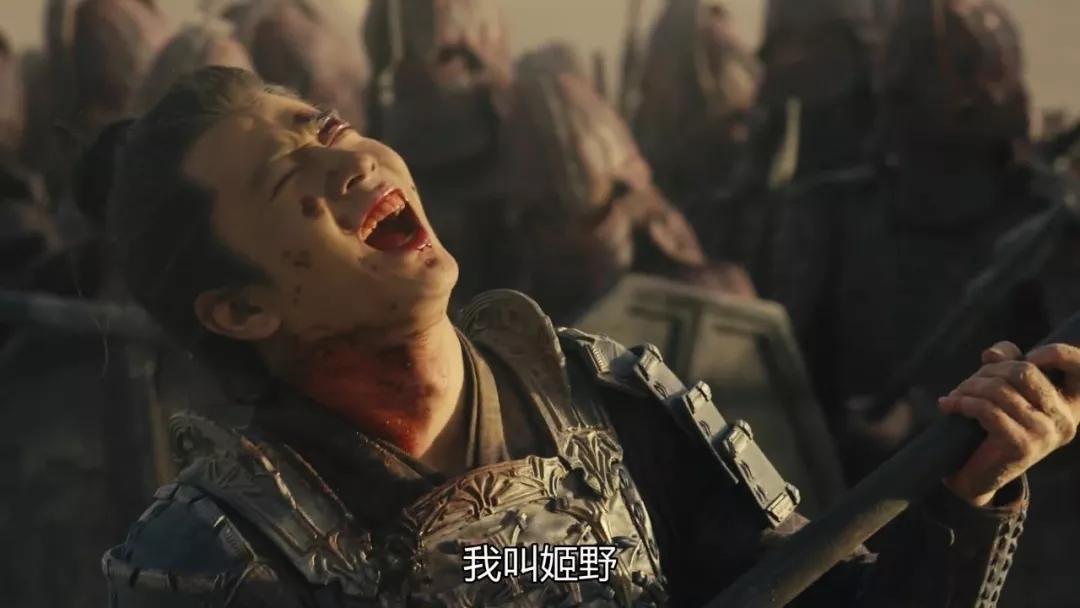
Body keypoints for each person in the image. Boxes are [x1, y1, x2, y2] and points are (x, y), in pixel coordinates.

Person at [99, 67, 1077, 607]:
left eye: (328, 128)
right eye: (290, 180)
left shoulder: (616, 403)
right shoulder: (211, 559)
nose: (348, 162)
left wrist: (965, 492)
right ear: (241, 310)